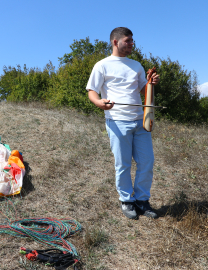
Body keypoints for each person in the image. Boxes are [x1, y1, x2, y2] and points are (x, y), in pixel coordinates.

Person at [86, 27, 160, 219]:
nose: (131, 44)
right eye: (128, 41)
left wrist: (151, 83)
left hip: (140, 120)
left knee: (147, 162)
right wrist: (99, 102)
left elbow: (145, 90)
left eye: (132, 41)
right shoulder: (102, 65)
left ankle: (142, 200)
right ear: (115, 42)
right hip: (117, 120)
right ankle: (127, 200)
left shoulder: (136, 66)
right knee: (123, 164)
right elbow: (92, 91)